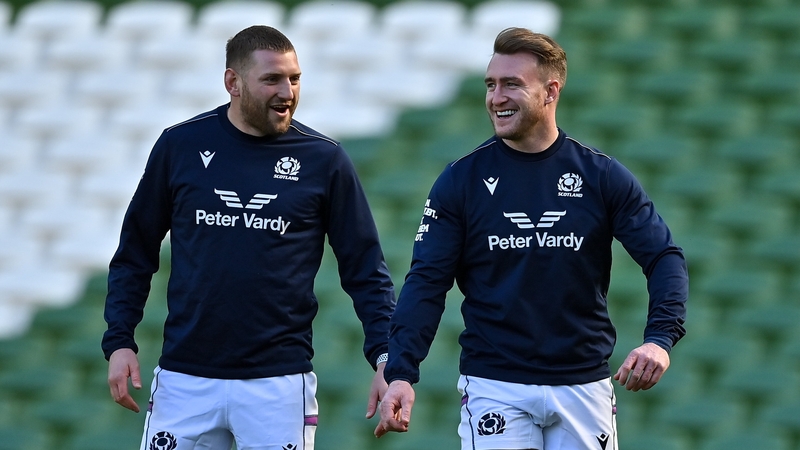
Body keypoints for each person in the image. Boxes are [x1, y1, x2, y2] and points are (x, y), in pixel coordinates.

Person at [375, 27, 688, 450]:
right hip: (495, 385)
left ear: (551, 90)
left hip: (584, 383)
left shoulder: (601, 176)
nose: (496, 97)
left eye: (511, 84)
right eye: (490, 84)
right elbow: (427, 281)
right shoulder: (460, 181)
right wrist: (401, 372)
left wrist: (659, 339)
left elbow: (664, 257)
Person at [102, 25, 396, 450]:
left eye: (294, 78)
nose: (288, 91)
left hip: (278, 384)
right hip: (185, 380)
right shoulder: (180, 146)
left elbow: (366, 270)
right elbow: (135, 253)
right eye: (272, 79)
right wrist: (119, 340)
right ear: (232, 83)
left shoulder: (324, 159)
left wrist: (387, 356)